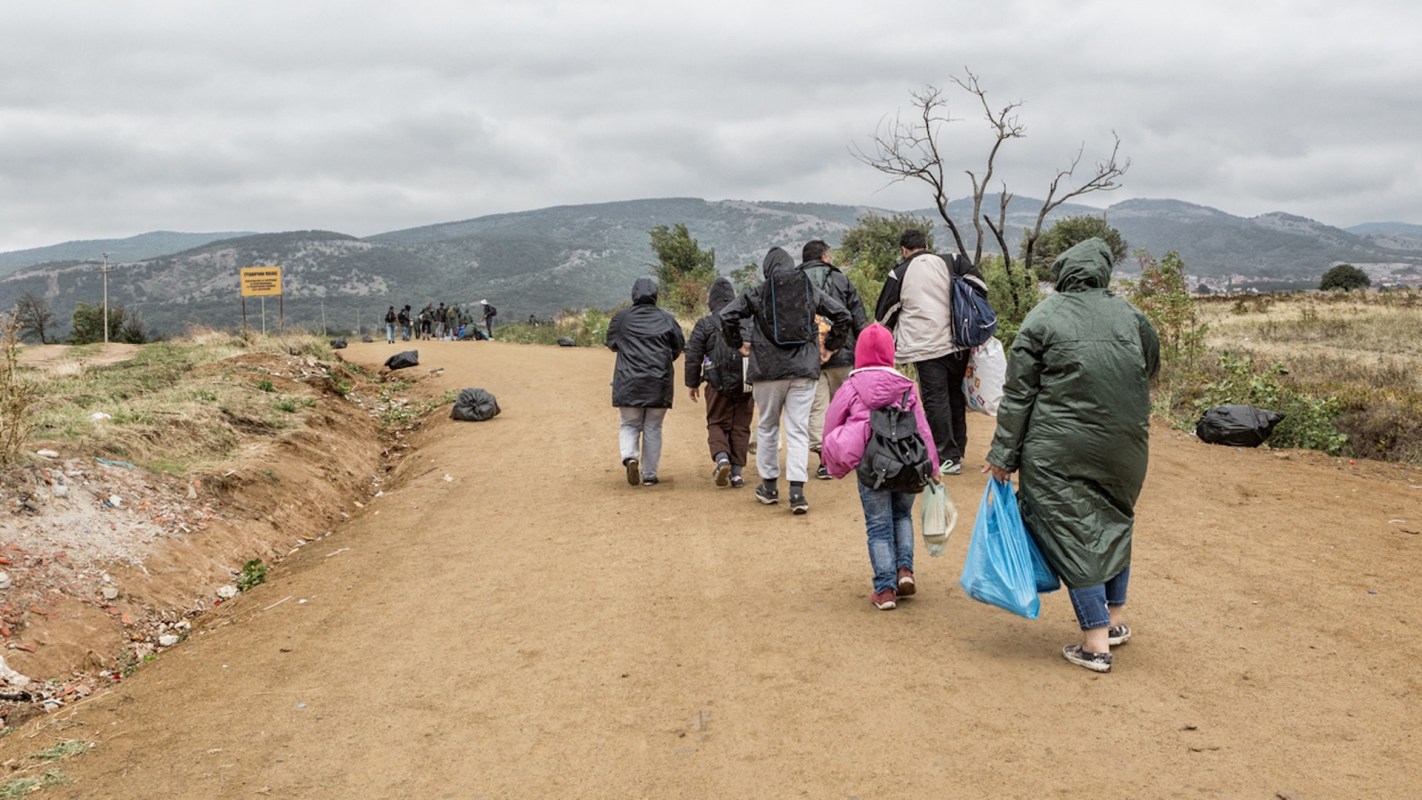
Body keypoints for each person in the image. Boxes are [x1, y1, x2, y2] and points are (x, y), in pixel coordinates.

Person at [983, 238, 1160, 673]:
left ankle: (1095, 642)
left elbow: (1019, 394)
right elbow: (1149, 369)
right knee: (1115, 519)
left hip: (1056, 448)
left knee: (1073, 529)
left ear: (1064, 273)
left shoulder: (1044, 316)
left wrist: (1003, 455)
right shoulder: (1131, 316)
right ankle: (1114, 622)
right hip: (1126, 445)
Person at [720, 247, 851, 514]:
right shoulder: (807, 288)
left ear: (767, 269)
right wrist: (830, 348)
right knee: (798, 429)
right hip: (804, 369)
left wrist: (740, 345)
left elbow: (727, 315)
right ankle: (796, 492)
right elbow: (843, 315)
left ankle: (769, 487)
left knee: (768, 426)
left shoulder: (758, 291)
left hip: (767, 370)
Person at [822, 323, 940, 610]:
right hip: (907, 464)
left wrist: (832, 460)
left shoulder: (852, 386)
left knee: (878, 527)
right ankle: (905, 572)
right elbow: (922, 427)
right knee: (902, 516)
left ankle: (885, 590)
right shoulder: (906, 386)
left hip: (872, 465)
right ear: (890, 353)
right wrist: (933, 467)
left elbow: (831, 422)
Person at [874, 229, 983, 476]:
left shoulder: (900, 273)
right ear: (926, 244)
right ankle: (958, 449)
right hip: (959, 342)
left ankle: (947, 455)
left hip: (925, 347)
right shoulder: (952, 261)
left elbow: (883, 316)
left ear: (904, 250)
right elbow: (980, 286)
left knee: (936, 400)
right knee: (955, 394)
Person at [798, 240, 869, 480]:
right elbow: (858, 317)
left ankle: (824, 460)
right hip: (844, 355)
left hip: (809, 358)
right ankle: (847, 454)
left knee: (817, 408)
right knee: (847, 407)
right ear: (826, 256)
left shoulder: (795, 282)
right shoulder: (841, 280)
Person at [606, 277, 685, 486]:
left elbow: (612, 343)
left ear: (634, 295)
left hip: (628, 382)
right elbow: (678, 346)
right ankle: (649, 474)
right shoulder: (667, 318)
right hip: (659, 383)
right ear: (655, 295)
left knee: (629, 424)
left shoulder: (622, 318)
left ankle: (630, 456)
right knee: (653, 427)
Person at [684, 277, 755, 489]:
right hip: (746, 383)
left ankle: (721, 458)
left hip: (717, 382)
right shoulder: (747, 321)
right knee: (741, 425)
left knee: (717, 422)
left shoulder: (706, 324)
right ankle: (737, 473)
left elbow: (693, 355)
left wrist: (692, 382)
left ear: (711, 301)